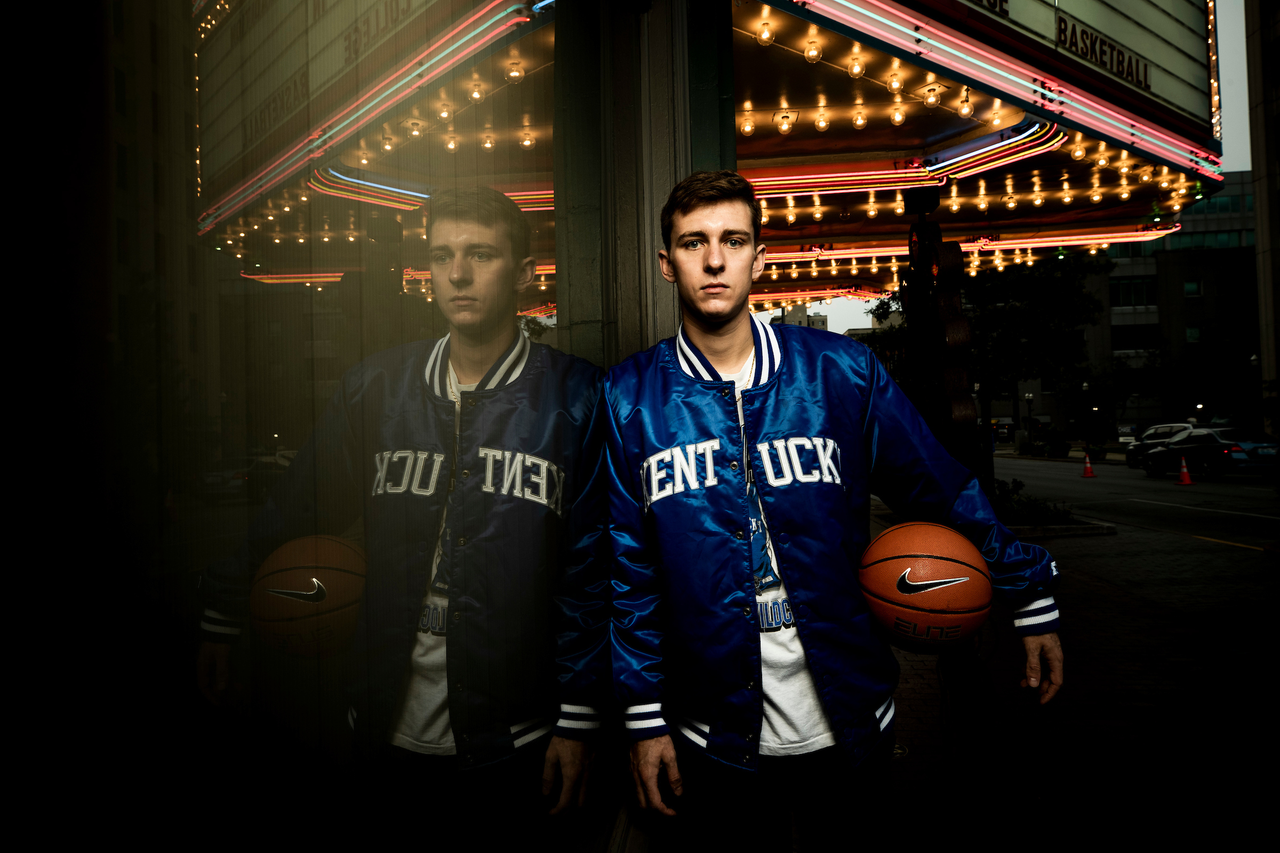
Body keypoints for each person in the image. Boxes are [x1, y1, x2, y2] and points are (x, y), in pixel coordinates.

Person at [603, 171, 1063, 847]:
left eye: (733, 239)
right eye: (692, 242)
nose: (714, 258)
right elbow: (626, 567)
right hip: (710, 726)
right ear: (666, 263)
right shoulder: (629, 397)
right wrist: (643, 716)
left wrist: (1029, 592)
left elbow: (940, 487)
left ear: (760, 256)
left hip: (848, 709)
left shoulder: (840, 373)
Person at [196, 187, 609, 831]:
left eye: (480, 254)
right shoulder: (376, 389)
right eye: (442, 255)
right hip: (384, 720)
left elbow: (592, 574)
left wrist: (580, 718)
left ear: (525, 274)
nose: (458, 273)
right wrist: (224, 604)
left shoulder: (578, 398)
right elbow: (299, 507)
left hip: (519, 735)